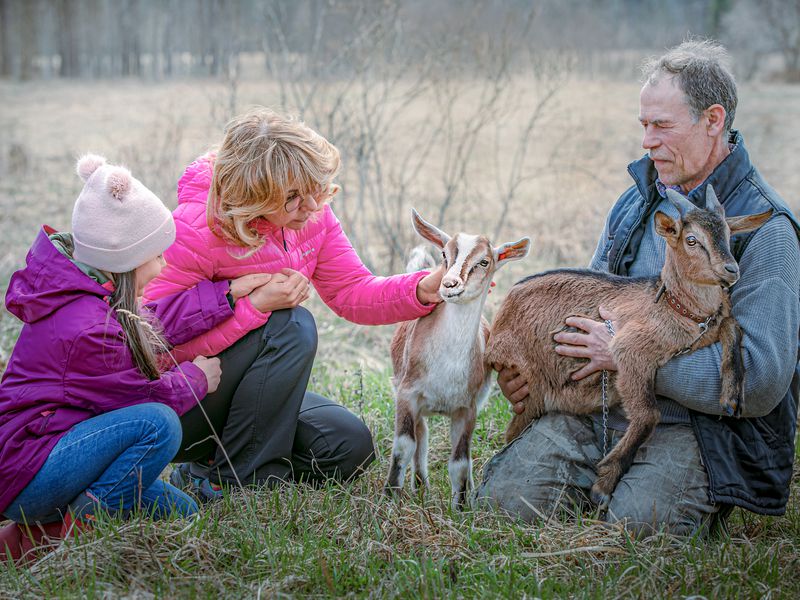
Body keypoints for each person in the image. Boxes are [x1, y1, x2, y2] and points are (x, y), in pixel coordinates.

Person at [476, 39, 800, 535]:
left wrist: (628, 356)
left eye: (662, 126)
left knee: (634, 532)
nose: (647, 141)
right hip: (603, 409)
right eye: (644, 125)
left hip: (699, 431)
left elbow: (759, 382)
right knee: (503, 507)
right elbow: (582, 317)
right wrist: (534, 376)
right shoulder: (634, 205)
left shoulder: (767, 231)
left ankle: (679, 497)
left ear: (714, 120)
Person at [144, 107, 444, 499]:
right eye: (291, 198)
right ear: (253, 192)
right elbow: (149, 341)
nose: (310, 207)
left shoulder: (311, 212)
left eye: (313, 190)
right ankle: (237, 485)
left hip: (249, 400)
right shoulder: (194, 229)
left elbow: (351, 290)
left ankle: (209, 469)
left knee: (347, 448)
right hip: (183, 402)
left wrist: (423, 288)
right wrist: (252, 308)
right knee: (291, 324)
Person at [0, 154, 267, 563]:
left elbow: (153, 322)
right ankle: (70, 534)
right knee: (157, 424)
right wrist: (198, 378)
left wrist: (226, 295)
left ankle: (44, 529)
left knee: (184, 512)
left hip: (57, 451)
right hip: (30, 472)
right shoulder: (87, 329)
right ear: (125, 258)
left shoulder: (91, 296)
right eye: (156, 255)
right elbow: (142, 398)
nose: (163, 267)